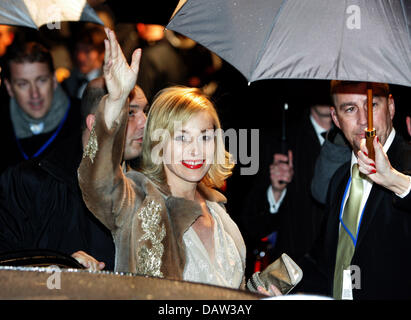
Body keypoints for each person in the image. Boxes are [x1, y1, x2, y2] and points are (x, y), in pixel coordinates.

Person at [78, 28, 251, 290]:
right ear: (158, 143)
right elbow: (98, 183)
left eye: (205, 137)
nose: (196, 150)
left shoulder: (219, 209)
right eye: (182, 138)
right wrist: (115, 101)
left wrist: (255, 294)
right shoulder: (138, 200)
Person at [0, 77, 148, 271]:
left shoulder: (147, 182)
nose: (145, 122)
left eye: (145, 111)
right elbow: (7, 266)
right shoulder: (29, 182)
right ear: (95, 123)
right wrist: (60, 265)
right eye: (130, 113)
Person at [300, 81, 411, 300]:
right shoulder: (340, 179)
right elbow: (324, 265)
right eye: (350, 109)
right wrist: (283, 287)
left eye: (372, 106)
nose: (363, 121)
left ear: (391, 107)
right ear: (335, 118)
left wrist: (396, 181)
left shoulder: (407, 165)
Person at [240, 95, 333, 276]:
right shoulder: (280, 140)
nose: (323, 91)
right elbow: (252, 222)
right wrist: (276, 190)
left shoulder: (357, 140)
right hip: (294, 270)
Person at [0, 40, 80, 174]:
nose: (34, 94)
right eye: (23, 84)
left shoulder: (82, 119)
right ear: (9, 87)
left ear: (54, 80)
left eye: (41, 80)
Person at [63, 25, 106, 99]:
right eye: (78, 50)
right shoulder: (70, 79)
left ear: (102, 53)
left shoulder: (108, 84)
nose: (80, 57)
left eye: (87, 51)